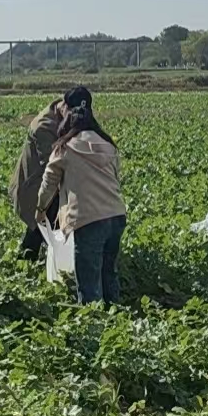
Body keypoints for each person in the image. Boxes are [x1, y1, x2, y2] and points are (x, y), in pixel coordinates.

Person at [38, 101, 127, 305]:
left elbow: (48, 183)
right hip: (116, 216)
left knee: (89, 280)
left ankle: (94, 325)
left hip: (89, 219)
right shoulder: (108, 145)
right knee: (108, 272)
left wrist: (41, 208)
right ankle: (117, 316)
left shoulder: (65, 148)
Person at [11, 87, 88, 261]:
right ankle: (29, 262)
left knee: (47, 226)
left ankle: (44, 260)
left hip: (55, 183)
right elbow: (53, 167)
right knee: (44, 221)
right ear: (64, 107)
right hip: (36, 183)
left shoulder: (75, 117)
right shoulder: (44, 126)